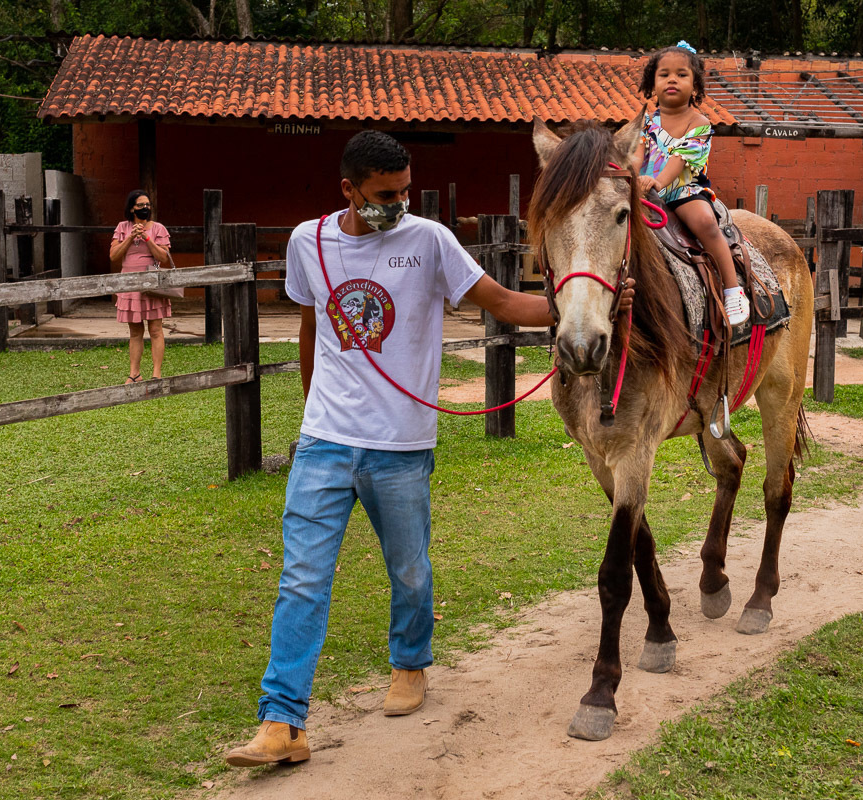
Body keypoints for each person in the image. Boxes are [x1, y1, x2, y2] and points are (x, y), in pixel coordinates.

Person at [224, 130, 632, 768]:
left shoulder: (429, 241)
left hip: (401, 446)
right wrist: (313, 416)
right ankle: (282, 721)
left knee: (410, 573)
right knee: (302, 580)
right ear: (348, 190)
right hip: (325, 445)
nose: (400, 202)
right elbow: (312, 329)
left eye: (406, 190)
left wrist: (584, 309)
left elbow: (500, 302)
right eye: (386, 194)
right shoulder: (311, 243)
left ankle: (410, 662)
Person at [633, 41, 750, 327]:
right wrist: (632, 178)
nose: (672, 79)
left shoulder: (700, 123)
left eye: (682, 74)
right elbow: (636, 156)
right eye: (664, 74)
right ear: (653, 84)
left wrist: (656, 181)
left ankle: (732, 289)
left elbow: (678, 160)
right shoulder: (646, 123)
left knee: (705, 222)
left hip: (682, 191)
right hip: (645, 191)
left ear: (695, 86)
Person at [109, 190, 173, 384]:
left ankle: (156, 374)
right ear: (131, 208)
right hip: (129, 284)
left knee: (155, 330)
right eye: (140, 205)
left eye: (148, 205)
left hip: (152, 282)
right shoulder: (122, 227)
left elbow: (164, 257)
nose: (145, 208)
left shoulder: (158, 228)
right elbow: (113, 256)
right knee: (135, 332)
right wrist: (130, 237)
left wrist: (146, 238)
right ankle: (134, 373)